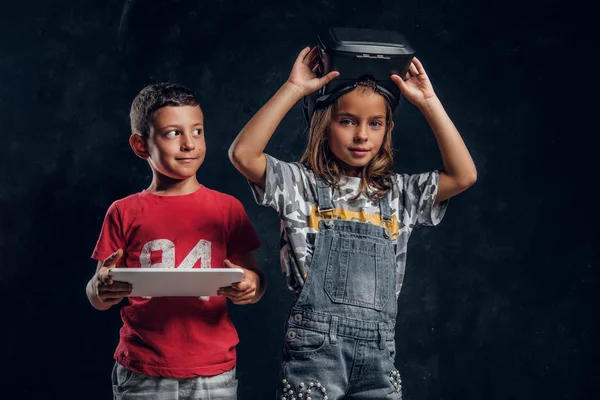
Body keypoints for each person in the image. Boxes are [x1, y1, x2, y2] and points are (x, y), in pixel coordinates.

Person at [228, 46, 477, 399]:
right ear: (324, 123)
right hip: (315, 352)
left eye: (374, 124)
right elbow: (243, 154)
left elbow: (464, 175)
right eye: (347, 121)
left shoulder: (398, 194)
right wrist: (295, 88)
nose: (362, 135)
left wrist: (428, 102)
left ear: (387, 128)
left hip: (379, 355)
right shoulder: (300, 186)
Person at [86, 82, 264, 400]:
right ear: (141, 146)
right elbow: (98, 296)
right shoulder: (124, 211)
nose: (188, 144)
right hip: (143, 368)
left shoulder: (227, 208)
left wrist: (249, 285)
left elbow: (256, 283)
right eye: (172, 133)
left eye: (197, 131)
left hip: (213, 369)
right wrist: (100, 287)